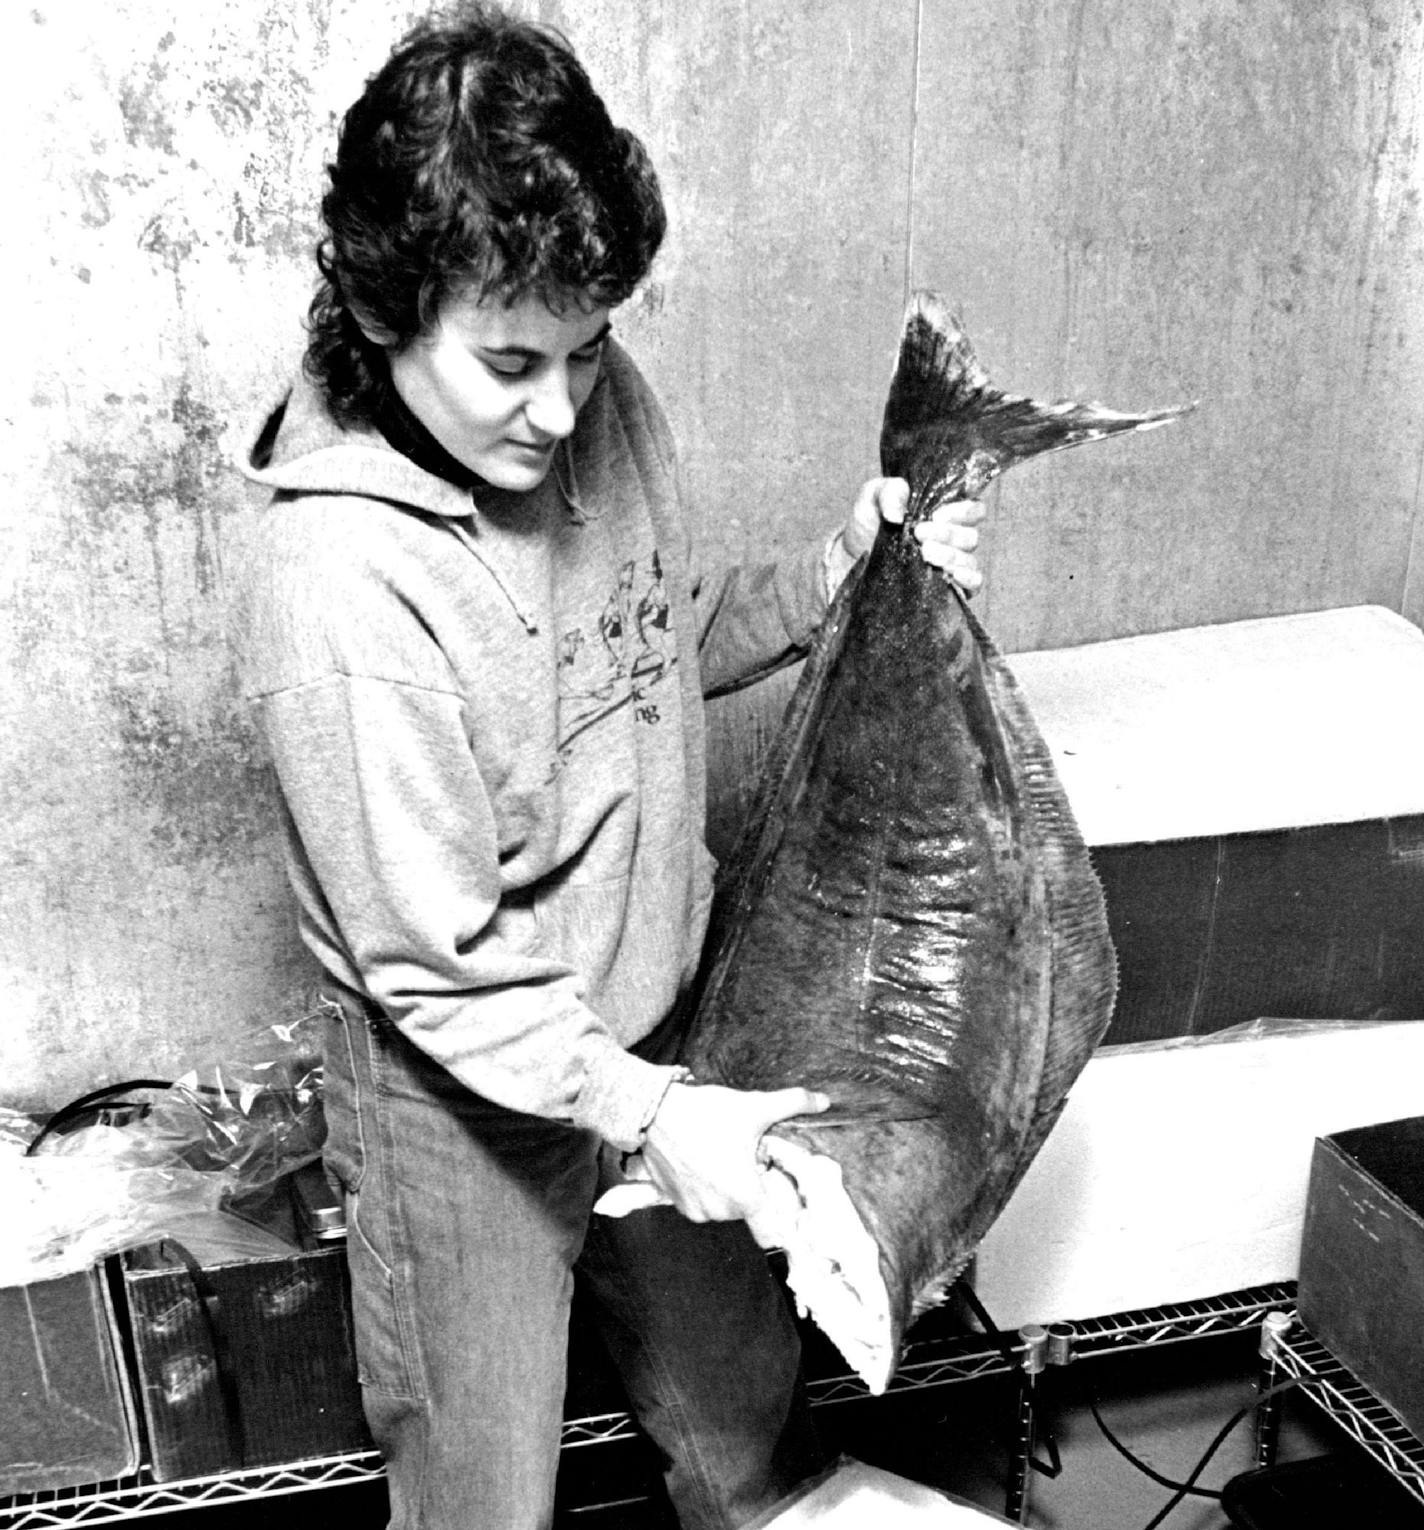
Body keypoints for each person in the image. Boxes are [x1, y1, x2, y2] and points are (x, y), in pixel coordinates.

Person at [235, 6, 984, 1528]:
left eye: (589, 348)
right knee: (486, 1500)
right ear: (386, 312)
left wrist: (839, 571)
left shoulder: (586, 392)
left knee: (741, 1434)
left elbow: (650, 642)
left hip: (659, 1013)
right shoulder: (336, 590)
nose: (564, 408)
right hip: (462, 1094)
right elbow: (439, 970)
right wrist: (646, 1115)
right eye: (513, 362)